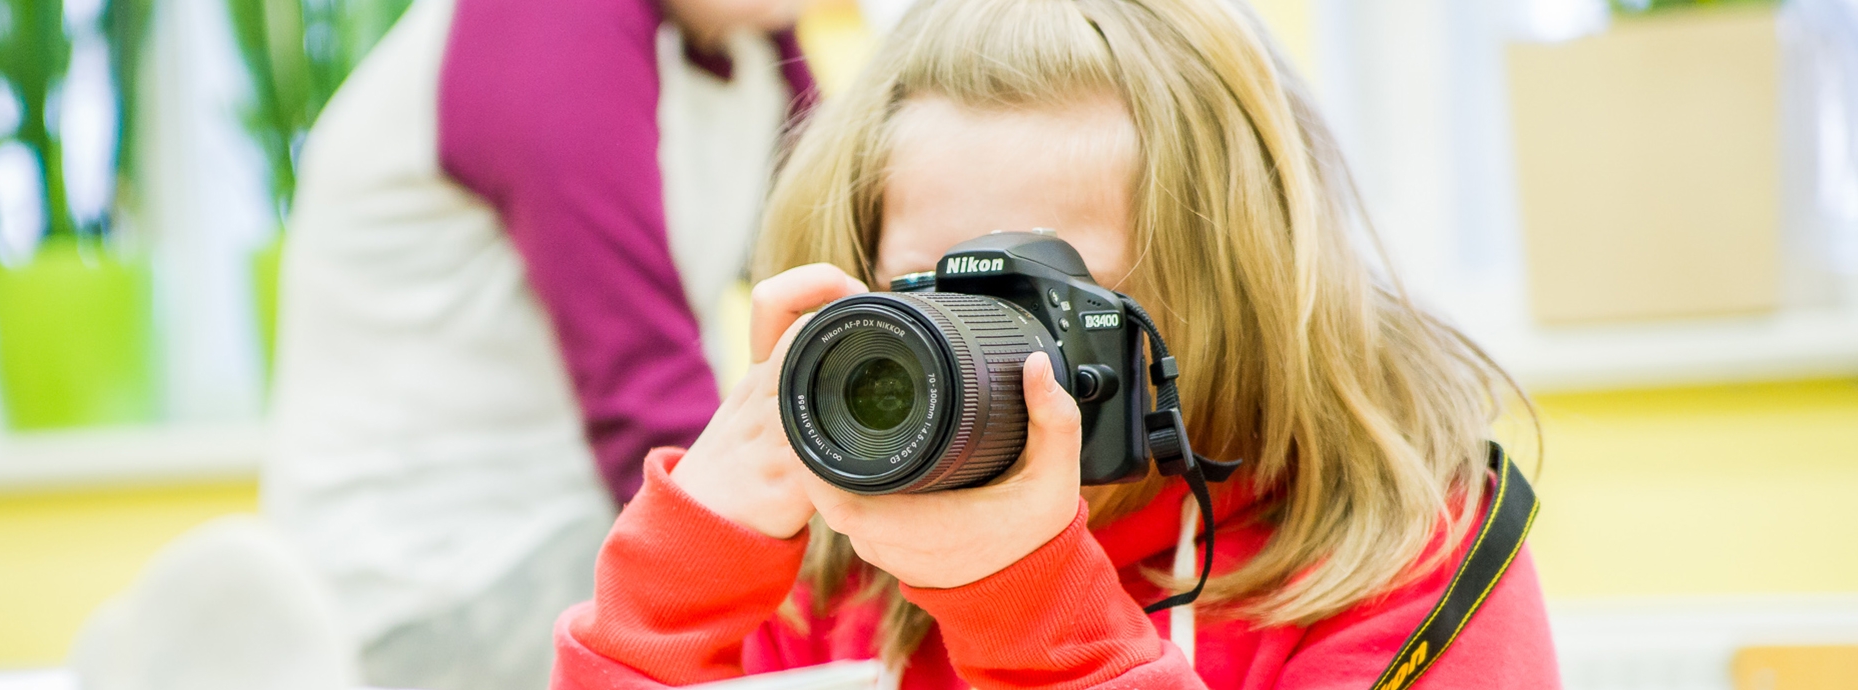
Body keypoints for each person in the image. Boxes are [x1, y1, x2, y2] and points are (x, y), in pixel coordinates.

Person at [551, 0, 1559, 687]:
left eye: (1051, 298)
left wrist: (1031, 604)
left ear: (1230, 294)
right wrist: (671, 588)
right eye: (934, 291)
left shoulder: (1406, 555)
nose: (973, 357)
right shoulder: (830, 563)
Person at [260, 0, 817, 686]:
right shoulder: (549, 19)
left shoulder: (749, 34)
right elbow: (641, 383)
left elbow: (837, 244)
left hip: (580, 517)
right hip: (440, 575)